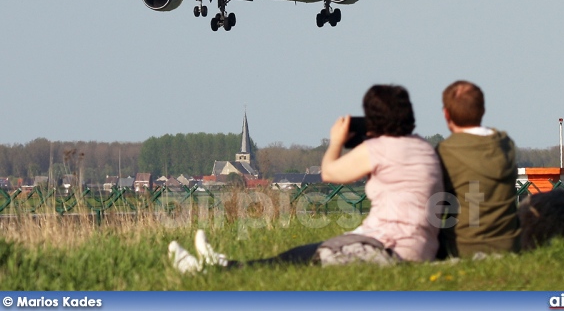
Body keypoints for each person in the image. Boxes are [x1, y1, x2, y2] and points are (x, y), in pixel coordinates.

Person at [169, 84, 443, 272]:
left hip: (385, 248)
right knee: (301, 255)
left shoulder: (381, 148)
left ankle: (216, 268)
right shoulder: (424, 148)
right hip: (419, 247)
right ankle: (221, 263)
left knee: (300, 257)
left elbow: (330, 172)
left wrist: (336, 141)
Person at [435, 80, 520, 259]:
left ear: (446, 114)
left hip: (461, 246)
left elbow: (436, 208)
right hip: (509, 244)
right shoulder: (505, 145)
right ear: (482, 110)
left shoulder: (445, 151)